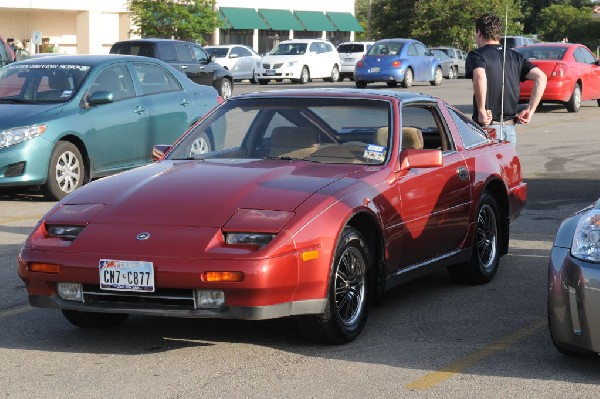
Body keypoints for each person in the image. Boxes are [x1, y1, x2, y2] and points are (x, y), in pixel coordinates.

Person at [465, 13, 546, 146]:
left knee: (486, 167)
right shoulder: (515, 56)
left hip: (487, 127)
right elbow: (541, 77)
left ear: (479, 32)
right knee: (506, 166)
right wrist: (530, 110)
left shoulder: (476, 55)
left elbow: (479, 75)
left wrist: (481, 110)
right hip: (509, 128)